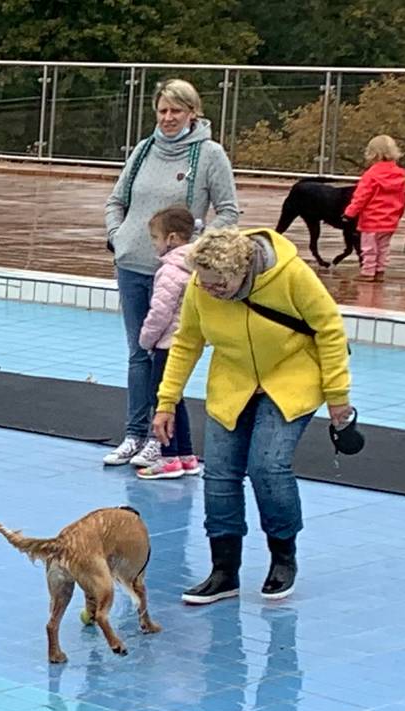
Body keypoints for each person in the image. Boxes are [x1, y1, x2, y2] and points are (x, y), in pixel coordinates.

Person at [154, 226, 355, 605]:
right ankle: (224, 571)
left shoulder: (290, 274)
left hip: (291, 378)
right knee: (219, 474)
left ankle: (283, 558)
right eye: (204, 282)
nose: (209, 290)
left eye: (219, 284)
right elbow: (187, 341)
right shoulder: (201, 284)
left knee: (268, 466)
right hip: (233, 383)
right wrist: (166, 401)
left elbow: (329, 329)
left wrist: (338, 396)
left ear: (241, 271)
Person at [102, 79, 240, 467]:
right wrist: (117, 236)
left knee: (167, 356)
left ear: (192, 113)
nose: (167, 118)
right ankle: (134, 433)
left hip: (176, 275)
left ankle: (159, 439)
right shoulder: (144, 150)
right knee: (138, 354)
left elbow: (229, 211)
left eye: (176, 111)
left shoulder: (209, 155)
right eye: (162, 110)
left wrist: (195, 250)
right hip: (132, 266)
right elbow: (116, 200)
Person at [131, 206, 201, 480]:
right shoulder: (195, 267)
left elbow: (159, 312)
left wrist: (145, 339)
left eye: (155, 238)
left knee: (162, 399)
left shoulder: (169, 271)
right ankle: (186, 455)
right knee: (175, 398)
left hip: (166, 344)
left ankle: (169, 456)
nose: (154, 244)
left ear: (171, 238)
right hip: (183, 343)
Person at [346, 136, 405, 281]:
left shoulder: (371, 175)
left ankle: (368, 272)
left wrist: (350, 213)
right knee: (383, 248)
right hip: (390, 221)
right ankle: (380, 271)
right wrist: (398, 215)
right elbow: (403, 198)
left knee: (369, 248)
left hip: (371, 220)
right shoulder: (400, 175)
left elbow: (361, 197)